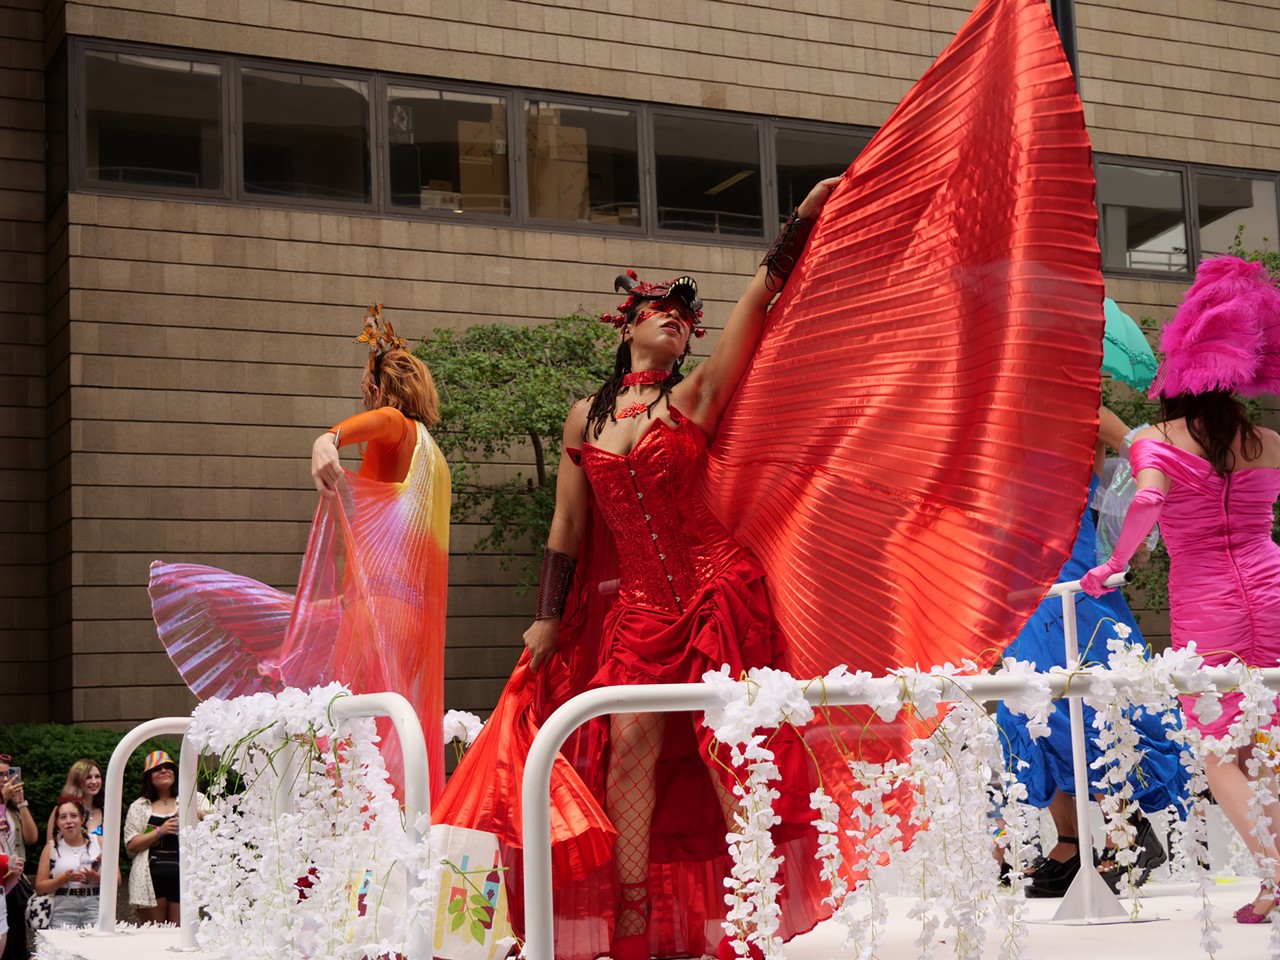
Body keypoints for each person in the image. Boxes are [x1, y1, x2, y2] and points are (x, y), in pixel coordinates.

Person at [149, 305, 450, 798]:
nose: (363, 395)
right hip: (402, 613)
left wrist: (328, 439)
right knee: (369, 735)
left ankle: (352, 850)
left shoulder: (396, 425)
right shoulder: (429, 457)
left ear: (378, 389)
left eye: (364, 388)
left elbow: (377, 423)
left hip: (384, 612)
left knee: (348, 739)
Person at [1082, 254, 1280, 924]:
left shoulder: (1156, 444)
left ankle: (1276, 876)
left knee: (1220, 742)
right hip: (1270, 583)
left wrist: (1115, 567)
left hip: (1209, 596)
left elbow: (1144, 505)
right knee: (1270, 733)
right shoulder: (1268, 442)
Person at [998, 406, 1189, 897]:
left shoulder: (1079, 402)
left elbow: (1146, 449)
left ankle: (1128, 831)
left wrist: (1126, 530)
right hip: (1011, 578)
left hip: (1072, 575)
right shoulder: (990, 406)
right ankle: (1071, 840)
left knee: (1089, 704)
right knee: (1024, 708)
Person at [35, 798, 101, 930]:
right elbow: (40, 887)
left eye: (74, 816)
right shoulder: (51, 847)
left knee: (95, 949)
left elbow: (116, 881)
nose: (69, 821)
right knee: (62, 950)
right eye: (63, 817)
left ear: (82, 819)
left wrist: (94, 876)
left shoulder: (99, 842)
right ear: (57, 822)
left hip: (95, 905)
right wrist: (64, 879)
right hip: (62, 907)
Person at [0, 756, 36, 960]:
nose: (5, 779)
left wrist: (21, 801)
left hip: (12, 881)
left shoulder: (12, 809)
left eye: (8, 774)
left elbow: (32, 838)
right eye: (0, 775)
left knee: (15, 940)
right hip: (0, 878)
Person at [47, 759, 104, 841]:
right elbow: (51, 847)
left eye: (97, 776)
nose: (94, 781)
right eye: (88, 777)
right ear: (77, 781)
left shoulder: (105, 811)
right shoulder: (61, 810)